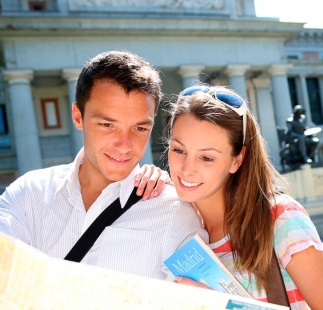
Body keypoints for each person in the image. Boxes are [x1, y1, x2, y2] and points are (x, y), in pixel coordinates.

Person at [0, 51, 207, 280]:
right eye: (108, 124)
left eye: (140, 128)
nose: (124, 145)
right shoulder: (28, 195)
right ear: (78, 117)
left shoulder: (173, 211)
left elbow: (201, 305)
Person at [166, 85, 323, 310]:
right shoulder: (174, 222)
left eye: (206, 157)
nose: (186, 169)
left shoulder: (280, 219)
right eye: (179, 150)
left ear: (237, 159)